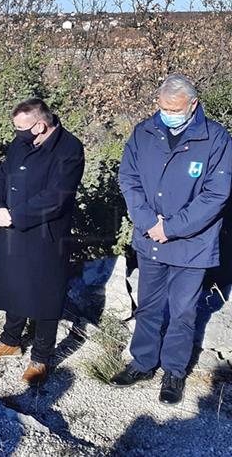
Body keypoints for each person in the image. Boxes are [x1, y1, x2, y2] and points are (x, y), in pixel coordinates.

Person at [111, 74, 232, 405]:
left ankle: (174, 371)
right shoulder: (144, 132)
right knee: (148, 306)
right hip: (150, 238)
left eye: (174, 108)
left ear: (192, 105)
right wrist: (149, 222)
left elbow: (216, 194)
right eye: (163, 107)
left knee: (182, 310)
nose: (168, 113)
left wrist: (172, 227)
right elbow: (129, 178)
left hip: (192, 245)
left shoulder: (216, 139)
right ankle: (142, 362)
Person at [0, 97, 85, 386]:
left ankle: (41, 357)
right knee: (14, 285)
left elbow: (56, 197)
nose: (17, 133)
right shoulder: (20, 143)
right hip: (11, 227)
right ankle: (10, 341)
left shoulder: (69, 149)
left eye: (22, 128)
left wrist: (16, 216)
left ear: (40, 125)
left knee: (45, 295)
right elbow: (2, 175)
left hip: (45, 234)